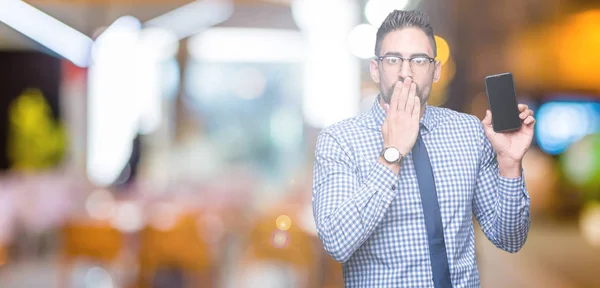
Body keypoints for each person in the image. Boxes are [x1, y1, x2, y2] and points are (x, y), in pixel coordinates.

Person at [311, 9, 534, 287]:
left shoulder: (468, 132)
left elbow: (510, 239)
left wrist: (510, 164)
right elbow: (336, 242)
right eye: (393, 59)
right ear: (376, 69)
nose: (406, 72)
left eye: (418, 60)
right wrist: (391, 155)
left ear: (436, 70)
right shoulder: (340, 141)